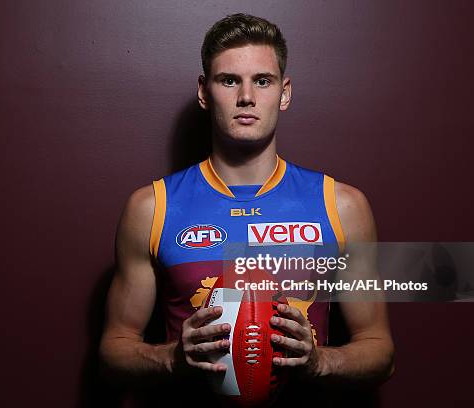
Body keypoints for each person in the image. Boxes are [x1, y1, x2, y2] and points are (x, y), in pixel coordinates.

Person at [99, 13, 394, 406]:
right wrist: (172, 357)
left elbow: (380, 351)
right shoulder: (151, 208)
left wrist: (318, 360)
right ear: (204, 92)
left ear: (284, 92)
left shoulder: (342, 206)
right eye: (228, 80)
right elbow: (112, 350)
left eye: (263, 80)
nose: (246, 97)